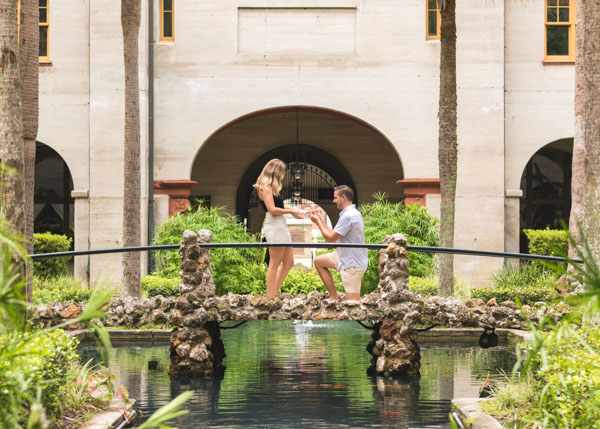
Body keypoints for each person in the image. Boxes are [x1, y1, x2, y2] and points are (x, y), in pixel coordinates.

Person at [253, 159, 305, 297]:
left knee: (289, 262)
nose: (283, 175)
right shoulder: (265, 186)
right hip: (274, 225)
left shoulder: (272, 188)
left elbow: (279, 206)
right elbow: (272, 210)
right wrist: (291, 212)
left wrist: (295, 210)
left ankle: (274, 292)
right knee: (275, 263)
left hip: (280, 225)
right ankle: (271, 296)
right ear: (276, 171)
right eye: (281, 172)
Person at [309, 185, 367, 302]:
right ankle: (334, 296)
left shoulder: (348, 216)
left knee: (353, 305)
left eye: (335, 198)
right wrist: (320, 220)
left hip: (352, 264)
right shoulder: (350, 213)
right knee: (318, 261)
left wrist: (317, 223)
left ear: (343, 197)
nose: (333, 201)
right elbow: (334, 234)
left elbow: (330, 238)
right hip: (344, 256)